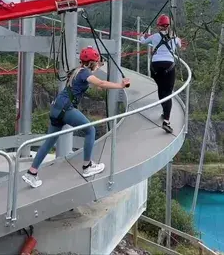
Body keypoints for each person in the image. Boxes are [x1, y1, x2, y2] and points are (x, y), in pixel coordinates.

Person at [22, 46, 130, 188]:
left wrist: (97, 82)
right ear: (92, 63)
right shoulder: (85, 72)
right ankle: (87, 166)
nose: (98, 65)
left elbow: (84, 84)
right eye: (97, 62)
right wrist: (120, 85)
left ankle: (31, 173)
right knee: (90, 130)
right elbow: (101, 83)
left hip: (56, 107)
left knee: (49, 142)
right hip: (66, 108)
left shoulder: (76, 71)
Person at [139, 14, 181, 134]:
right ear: (168, 26)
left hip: (155, 67)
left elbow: (142, 42)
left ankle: (164, 111)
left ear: (158, 26)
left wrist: (142, 36)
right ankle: (166, 121)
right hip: (169, 66)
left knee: (161, 89)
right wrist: (174, 36)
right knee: (168, 93)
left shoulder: (154, 36)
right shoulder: (174, 38)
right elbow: (179, 45)